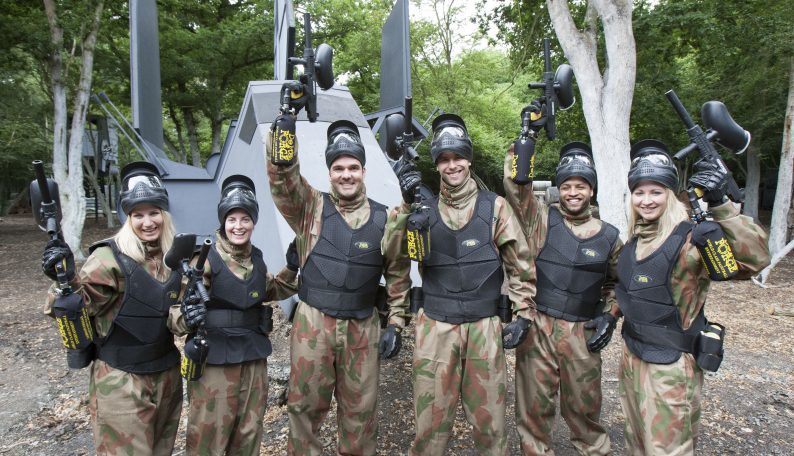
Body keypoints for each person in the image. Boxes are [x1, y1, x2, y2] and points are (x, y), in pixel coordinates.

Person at [266, 91, 410, 455]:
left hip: (362, 327)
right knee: (304, 410)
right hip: (313, 324)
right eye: (339, 168)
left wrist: (395, 324)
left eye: (353, 167)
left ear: (364, 170)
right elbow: (283, 177)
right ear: (329, 171)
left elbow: (397, 274)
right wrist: (284, 125)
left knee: (360, 415)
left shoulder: (387, 218)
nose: (346, 174)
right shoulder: (310, 208)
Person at [389, 113, 537, 456]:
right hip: (435, 329)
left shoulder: (495, 207)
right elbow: (397, 256)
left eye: (457, 157)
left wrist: (524, 312)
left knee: (491, 427)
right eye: (443, 159)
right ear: (436, 165)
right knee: (430, 427)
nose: (451, 165)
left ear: (468, 159)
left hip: (484, 329)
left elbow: (520, 261)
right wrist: (407, 211)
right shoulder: (420, 208)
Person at [617, 140, 770, 454]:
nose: (646, 200)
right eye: (639, 192)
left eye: (656, 191)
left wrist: (722, 206)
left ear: (671, 195)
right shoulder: (634, 242)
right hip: (633, 359)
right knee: (636, 446)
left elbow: (755, 259)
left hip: (671, 368)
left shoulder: (690, 239)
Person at [41, 162, 183, 455]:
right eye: (138, 215)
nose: (148, 222)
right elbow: (73, 304)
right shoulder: (109, 258)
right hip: (122, 381)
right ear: (127, 217)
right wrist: (63, 280)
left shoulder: (174, 257)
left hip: (166, 374)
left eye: (154, 212)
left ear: (164, 214)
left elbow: (175, 311)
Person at [502, 141, 623, 455]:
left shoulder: (610, 237)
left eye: (580, 186)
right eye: (566, 186)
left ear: (591, 190)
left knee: (584, 411)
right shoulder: (541, 222)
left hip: (581, 335)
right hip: (539, 330)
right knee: (532, 411)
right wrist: (522, 145)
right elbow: (518, 190)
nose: (573, 192)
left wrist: (609, 316)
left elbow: (618, 284)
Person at [167, 175, 299, 455]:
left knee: (249, 433)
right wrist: (187, 318)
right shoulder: (204, 260)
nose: (238, 226)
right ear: (222, 221)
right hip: (215, 361)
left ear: (253, 221)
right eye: (232, 219)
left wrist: (292, 266)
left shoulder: (257, 260)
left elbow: (273, 288)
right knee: (209, 436)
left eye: (245, 219)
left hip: (253, 359)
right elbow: (177, 312)